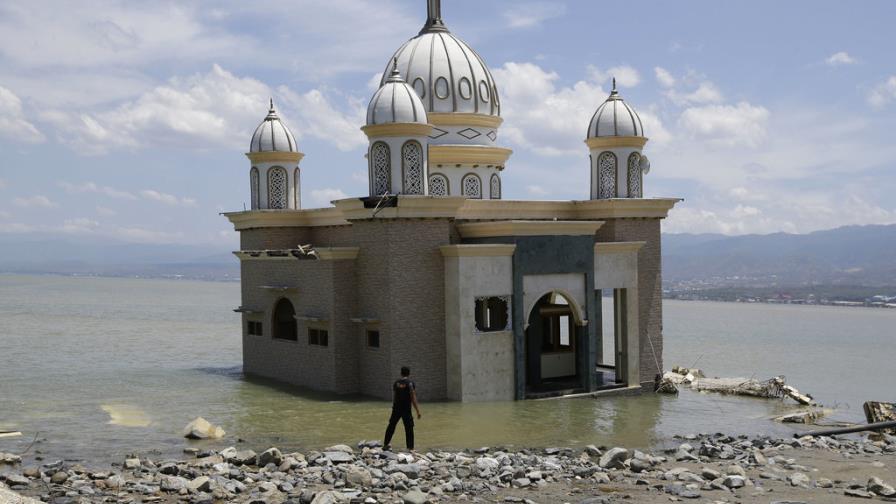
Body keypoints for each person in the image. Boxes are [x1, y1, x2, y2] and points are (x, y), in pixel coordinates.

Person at [383, 366, 421, 451]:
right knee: (409, 428)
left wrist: (394, 406)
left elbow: (395, 396)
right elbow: (413, 397)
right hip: (406, 409)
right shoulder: (410, 383)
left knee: (391, 426)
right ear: (409, 373)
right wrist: (417, 411)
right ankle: (410, 448)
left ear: (401, 373)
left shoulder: (396, 383)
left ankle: (385, 444)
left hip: (396, 408)